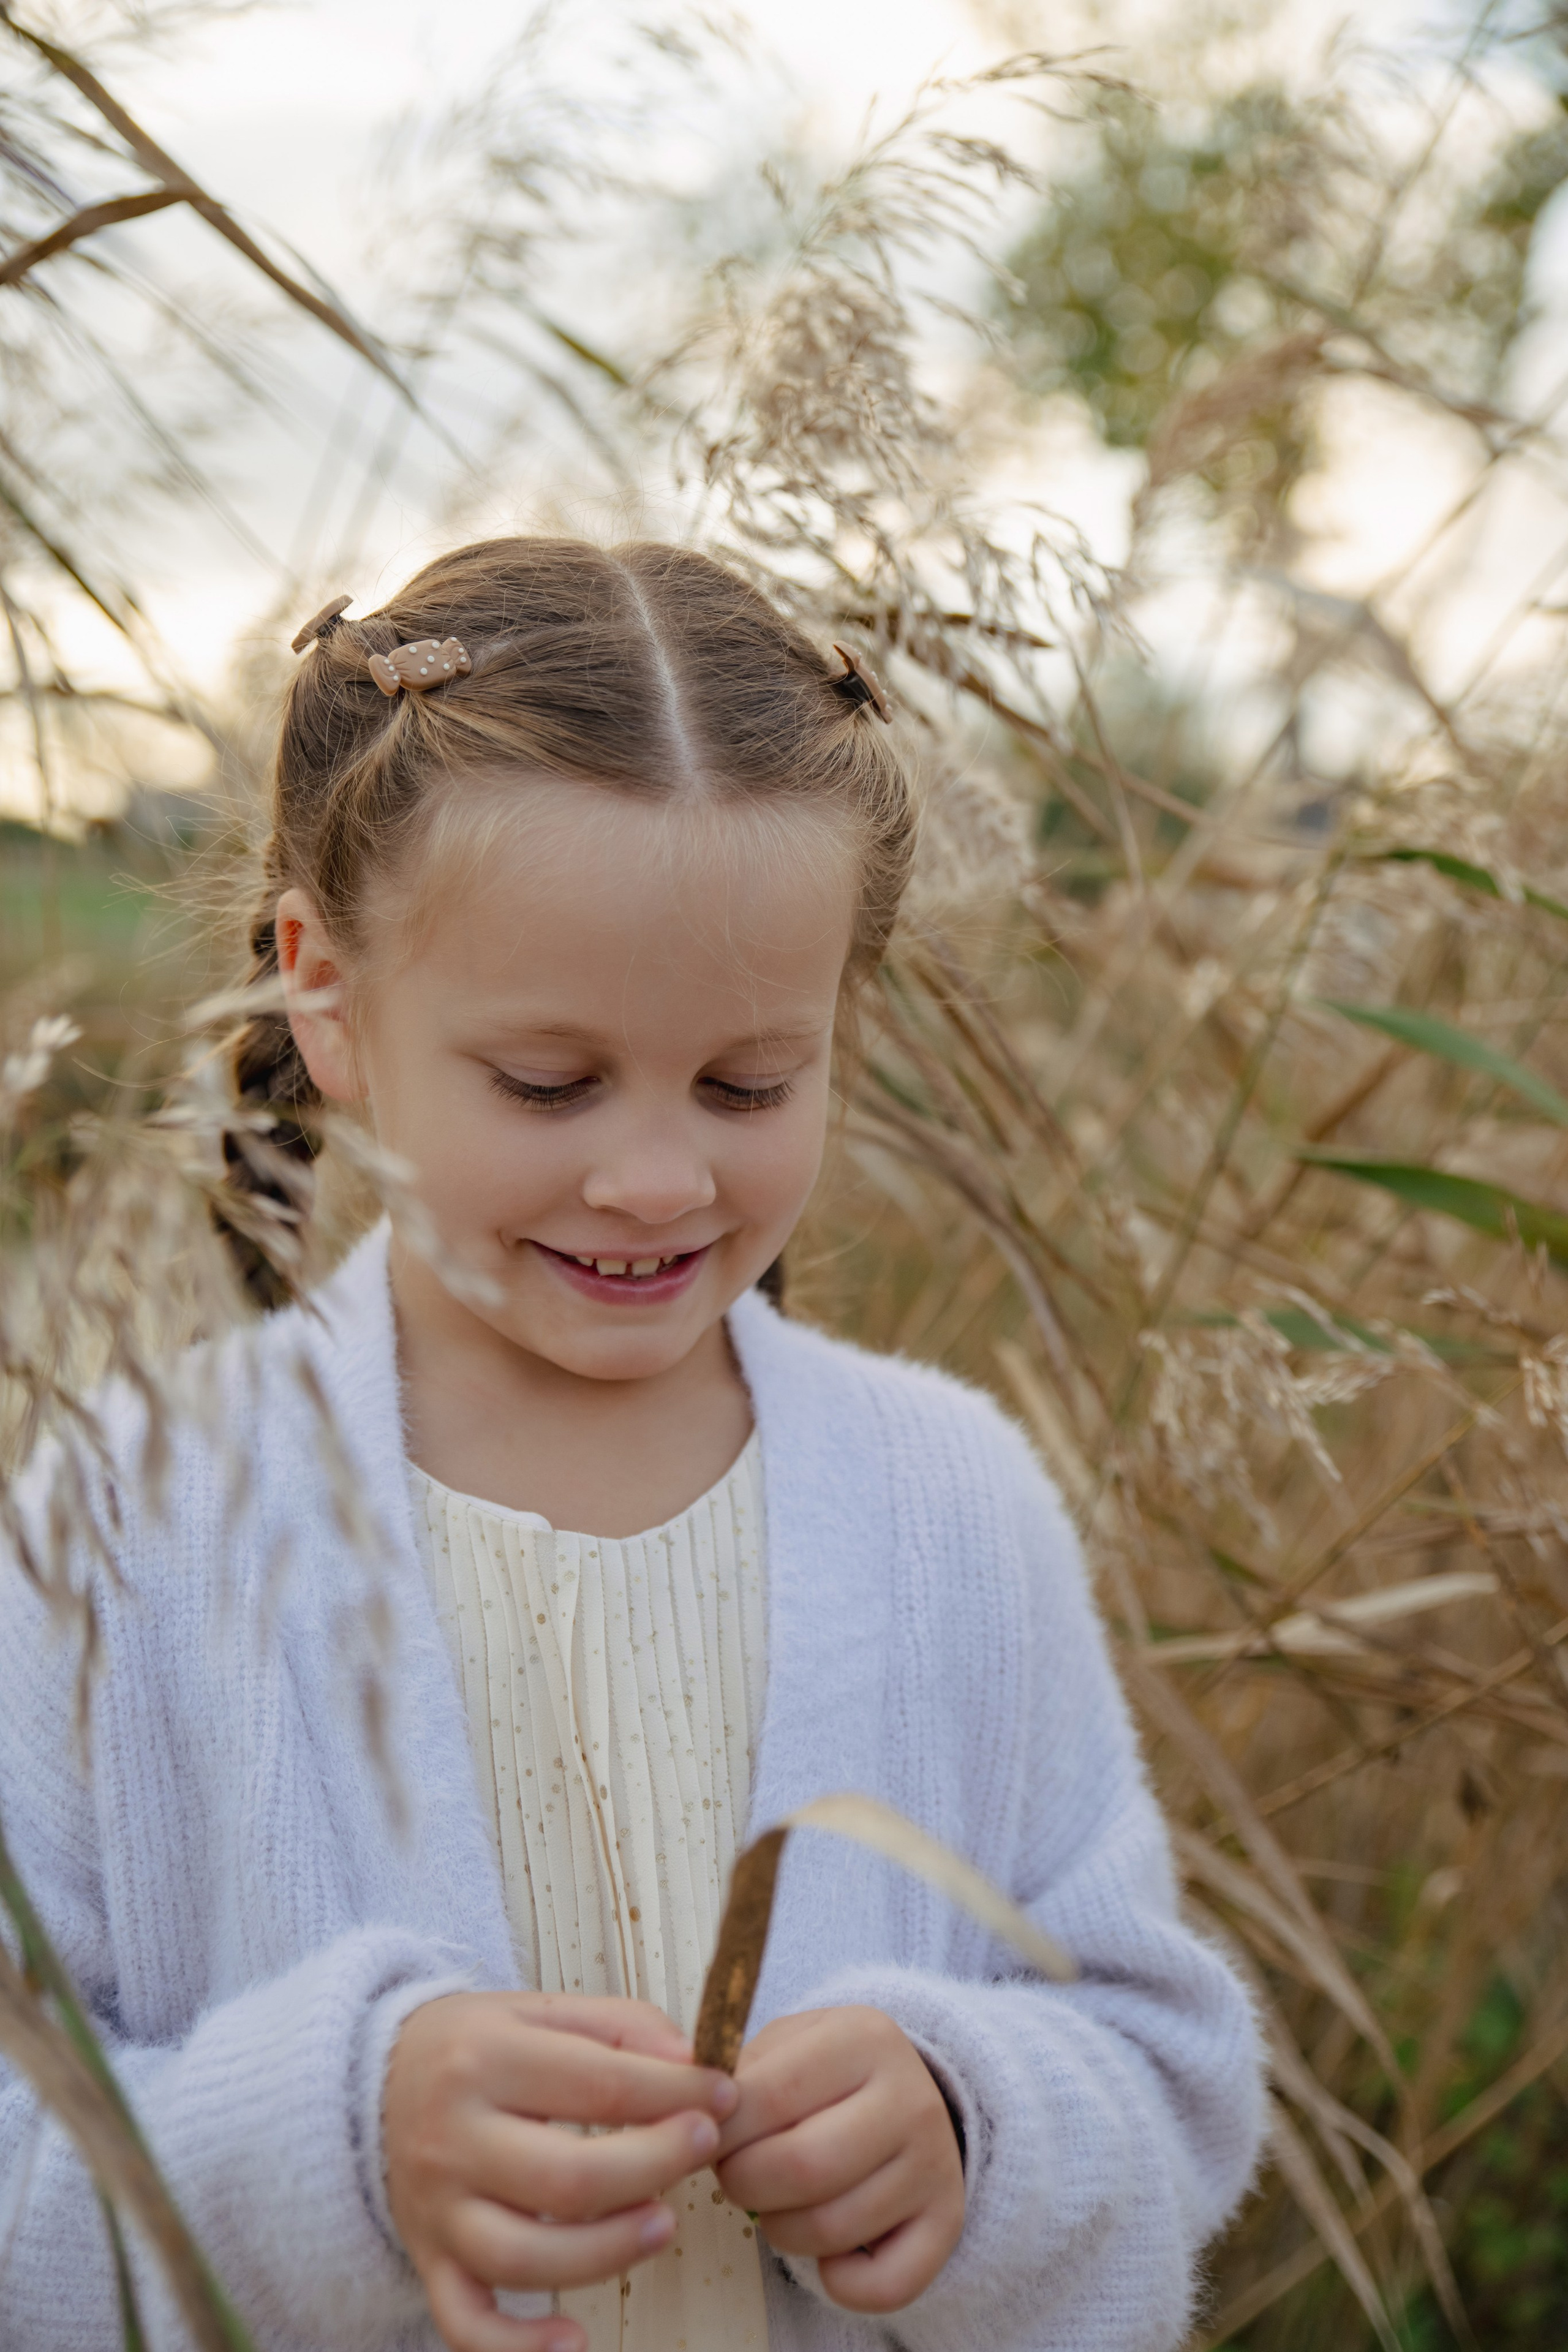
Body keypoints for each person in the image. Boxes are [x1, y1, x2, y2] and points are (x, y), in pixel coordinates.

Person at [0, 538, 1264, 2352]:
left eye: (752, 1084)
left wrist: (977, 2120)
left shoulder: (951, 1506)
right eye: (550, 1082)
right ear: (324, 996)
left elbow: (1163, 2070)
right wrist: (338, 2144)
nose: (660, 1178)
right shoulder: (135, 1523)